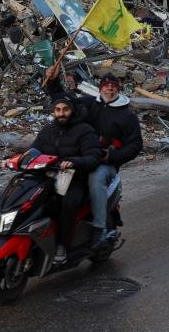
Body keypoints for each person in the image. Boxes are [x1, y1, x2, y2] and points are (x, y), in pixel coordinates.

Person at [45, 66, 143, 250]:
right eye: (106, 86)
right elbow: (65, 101)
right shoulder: (88, 103)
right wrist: (52, 80)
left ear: (118, 89)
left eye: (113, 86)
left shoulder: (127, 116)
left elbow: (135, 145)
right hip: (81, 157)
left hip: (105, 163)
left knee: (95, 178)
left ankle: (100, 229)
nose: (109, 89)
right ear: (100, 88)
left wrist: (112, 156)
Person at [4, 93, 102, 264]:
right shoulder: (48, 131)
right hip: (49, 177)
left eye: (65, 109)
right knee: (28, 197)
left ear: (73, 110)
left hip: (75, 180)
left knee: (67, 204)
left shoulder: (85, 130)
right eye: (57, 110)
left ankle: (61, 245)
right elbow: (33, 152)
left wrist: (73, 162)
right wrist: (14, 160)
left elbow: (94, 157)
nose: (61, 113)